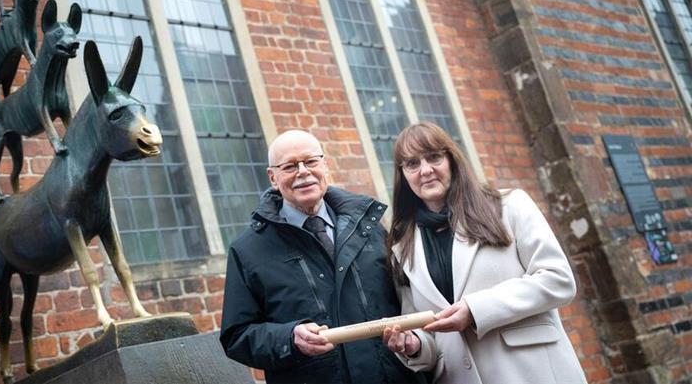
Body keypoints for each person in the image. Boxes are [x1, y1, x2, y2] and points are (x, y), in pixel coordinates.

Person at [381, 122, 587, 384]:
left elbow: (558, 279)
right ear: (403, 174)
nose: (425, 170)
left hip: (533, 372)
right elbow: (427, 333)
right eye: (412, 164)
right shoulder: (402, 244)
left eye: (433, 157)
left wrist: (475, 309)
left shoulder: (509, 206)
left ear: (451, 160)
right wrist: (415, 345)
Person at [220, 130, 424, 384]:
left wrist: (415, 341)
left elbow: (409, 299)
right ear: (273, 177)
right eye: (290, 166)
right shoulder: (248, 250)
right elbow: (236, 336)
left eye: (311, 161)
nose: (303, 171)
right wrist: (289, 338)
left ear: (325, 166)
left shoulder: (370, 227)